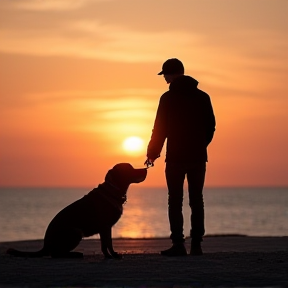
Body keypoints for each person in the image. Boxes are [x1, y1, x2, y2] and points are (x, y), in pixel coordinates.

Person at [145, 58, 216, 256]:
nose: (165, 79)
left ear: (172, 74)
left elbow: (160, 129)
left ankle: (178, 244)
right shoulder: (203, 97)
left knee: (175, 200)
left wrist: (152, 154)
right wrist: (200, 145)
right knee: (196, 200)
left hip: (175, 157)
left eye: (165, 75)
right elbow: (211, 126)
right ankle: (196, 244)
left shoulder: (167, 99)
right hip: (198, 157)